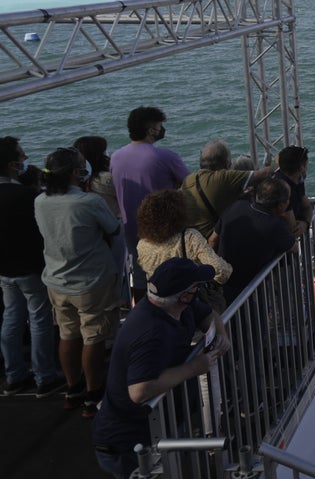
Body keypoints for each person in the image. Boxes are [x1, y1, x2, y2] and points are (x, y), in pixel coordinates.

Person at [91, 258, 230, 479]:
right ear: (185, 295)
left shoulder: (178, 305)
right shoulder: (150, 333)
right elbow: (139, 391)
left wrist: (221, 333)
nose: (199, 291)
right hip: (132, 444)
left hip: (159, 427)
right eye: (197, 287)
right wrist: (195, 367)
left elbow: (208, 314)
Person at [35, 146, 121, 416]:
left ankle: (73, 388)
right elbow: (113, 228)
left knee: (67, 334)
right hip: (91, 281)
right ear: (75, 172)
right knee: (93, 335)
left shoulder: (40, 201)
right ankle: (94, 393)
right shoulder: (88, 202)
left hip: (56, 280)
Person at [0, 136, 63, 397]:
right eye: (22, 156)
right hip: (30, 266)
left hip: (4, 269)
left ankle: (14, 374)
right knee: (39, 318)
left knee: (11, 317)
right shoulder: (28, 196)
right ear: (13, 164)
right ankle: (44, 375)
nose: (26, 160)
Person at [109, 106, 189, 296]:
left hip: (131, 229)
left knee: (139, 275)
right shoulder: (166, 157)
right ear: (151, 129)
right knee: (169, 276)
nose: (162, 129)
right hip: (163, 229)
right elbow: (191, 184)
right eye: (160, 125)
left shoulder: (115, 157)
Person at [135, 189, 231, 314]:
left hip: (158, 307)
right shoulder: (189, 237)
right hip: (187, 306)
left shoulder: (142, 244)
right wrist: (228, 267)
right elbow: (220, 271)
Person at [215, 178, 298, 305]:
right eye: (288, 200)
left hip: (222, 281)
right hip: (250, 290)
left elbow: (212, 239)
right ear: (281, 205)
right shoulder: (275, 226)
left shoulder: (237, 206)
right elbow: (294, 248)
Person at [181, 139, 273, 244]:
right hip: (215, 245)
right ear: (227, 163)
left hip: (193, 244)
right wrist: (281, 161)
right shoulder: (222, 178)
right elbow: (264, 174)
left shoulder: (188, 180)